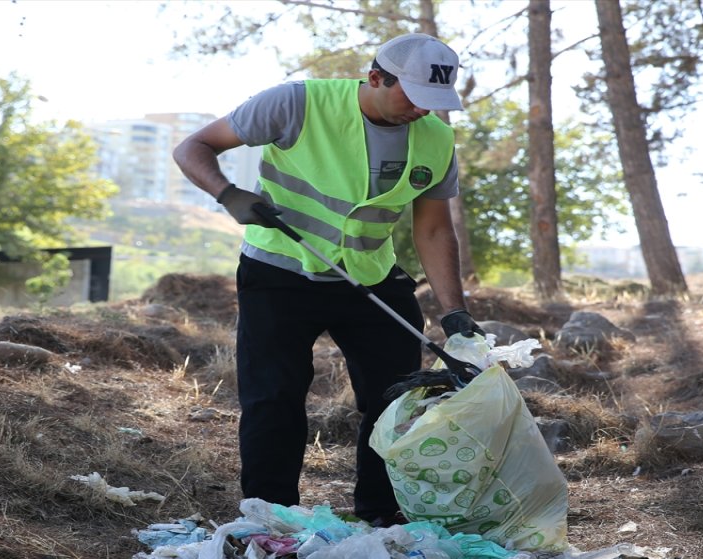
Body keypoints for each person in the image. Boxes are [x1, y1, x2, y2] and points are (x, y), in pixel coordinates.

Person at [173, 33, 483, 527]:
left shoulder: (436, 138)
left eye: (435, 102)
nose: (423, 111)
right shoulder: (296, 102)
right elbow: (194, 146)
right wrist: (227, 193)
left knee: (397, 398)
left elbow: (433, 227)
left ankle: (382, 516)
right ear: (376, 77)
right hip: (280, 272)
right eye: (415, 97)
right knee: (273, 396)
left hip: (370, 276)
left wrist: (454, 312)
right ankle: (272, 521)